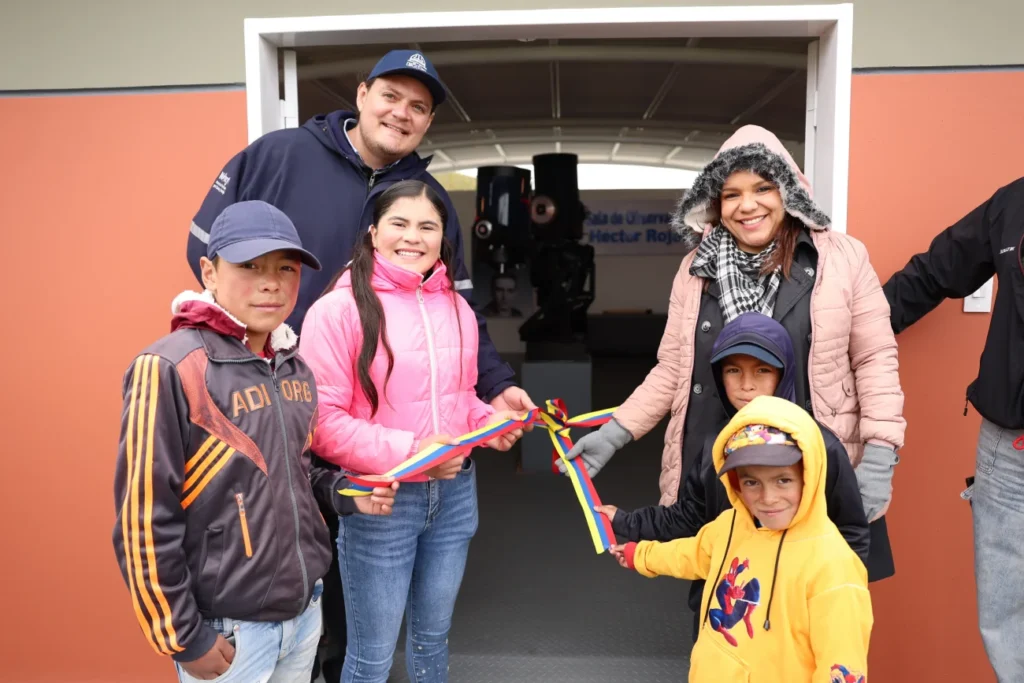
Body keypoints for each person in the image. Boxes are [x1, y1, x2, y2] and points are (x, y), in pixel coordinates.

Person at [187, 49, 535, 680]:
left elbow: (457, 343)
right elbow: (206, 248)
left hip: (389, 464)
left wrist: (496, 399)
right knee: (290, 582)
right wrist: (254, 345)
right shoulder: (281, 155)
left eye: (419, 107)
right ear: (362, 92)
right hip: (288, 412)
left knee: (355, 613)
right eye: (392, 96)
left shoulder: (429, 211)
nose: (402, 113)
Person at [564, 124, 904, 577]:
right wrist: (615, 432)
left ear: (789, 191)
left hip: (807, 468)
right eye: (731, 194)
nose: (748, 205)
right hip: (723, 469)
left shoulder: (842, 258)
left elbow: (875, 357)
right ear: (714, 204)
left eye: (763, 187)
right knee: (723, 603)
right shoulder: (694, 270)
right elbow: (673, 369)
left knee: (812, 608)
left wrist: (880, 456)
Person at [111, 201, 398, 683]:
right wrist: (184, 638)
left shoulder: (293, 363)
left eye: (285, 268)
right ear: (209, 271)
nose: (271, 282)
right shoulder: (171, 368)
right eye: (249, 266)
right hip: (229, 632)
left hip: (304, 615)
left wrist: (348, 493)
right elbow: (142, 521)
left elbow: (299, 473)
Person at [298, 180, 521, 683]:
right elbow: (322, 425)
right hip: (383, 500)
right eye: (399, 223)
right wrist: (417, 453)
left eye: (428, 226)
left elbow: (460, 399)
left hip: (455, 494)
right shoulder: (338, 310)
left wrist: (491, 425)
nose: (413, 237)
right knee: (371, 657)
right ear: (374, 233)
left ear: (444, 239)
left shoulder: (457, 309)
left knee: (432, 640)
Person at [597, 311, 871, 641]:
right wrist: (625, 522)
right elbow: (688, 520)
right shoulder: (716, 448)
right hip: (724, 616)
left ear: (784, 374)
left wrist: (831, 611)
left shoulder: (819, 446)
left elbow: (851, 533)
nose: (746, 384)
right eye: (732, 370)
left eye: (763, 370)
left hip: (793, 620)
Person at [611, 396, 873, 683]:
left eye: (783, 480)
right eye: (751, 482)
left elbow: (842, 666)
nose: (768, 498)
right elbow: (693, 554)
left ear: (809, 476)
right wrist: (642, 555)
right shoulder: (729, 525)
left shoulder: (834, 567)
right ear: (734, 484)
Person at [882, 177, 1024, 682]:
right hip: (1010, 455)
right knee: (1006, 620)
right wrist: (852, 326)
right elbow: (936, 270)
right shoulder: (1014, 204)